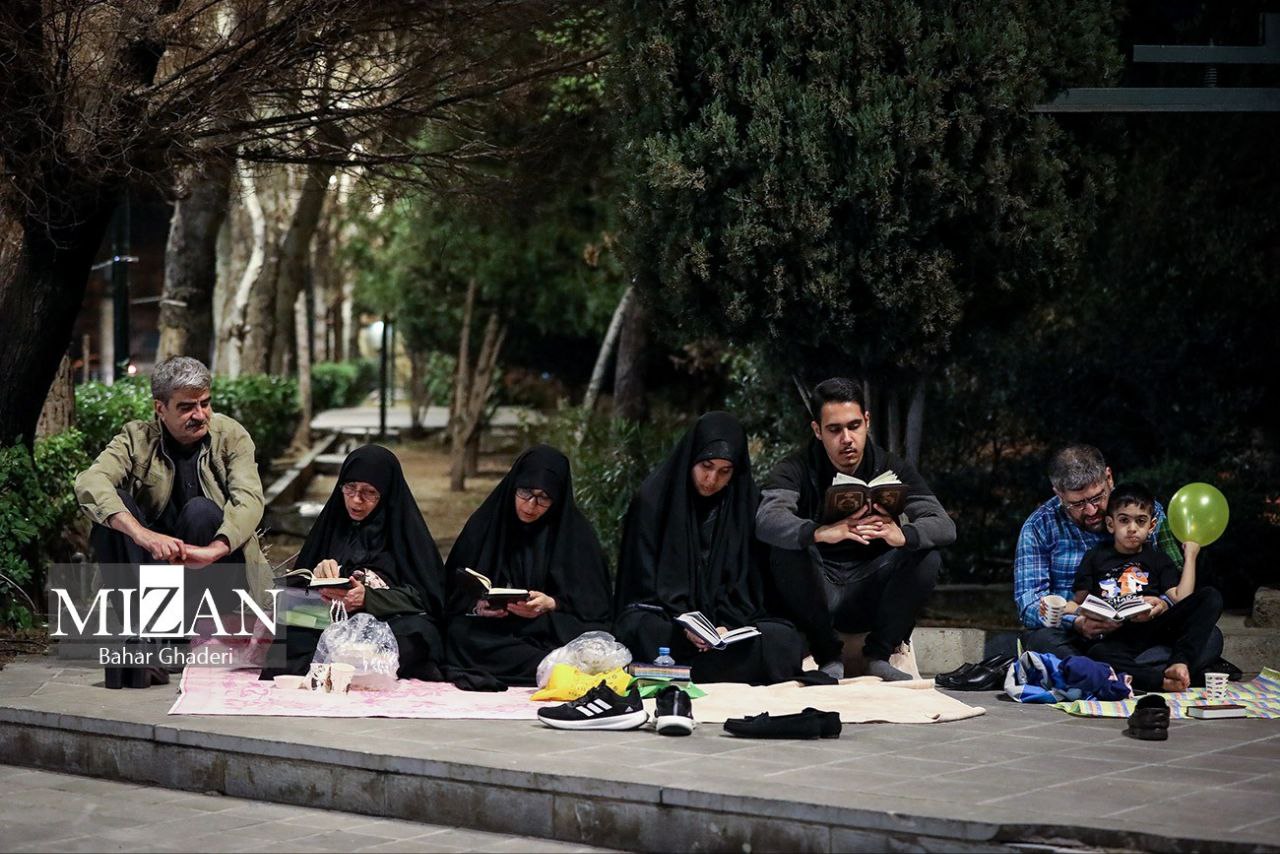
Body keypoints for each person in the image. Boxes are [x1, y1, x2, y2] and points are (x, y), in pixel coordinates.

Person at [755, 378, 956, 681]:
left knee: (927, 555)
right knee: (785, 550)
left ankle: (879, 655)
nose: (846, 439)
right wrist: (820, 532)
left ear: (867, 422)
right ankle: (826, 655)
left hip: (871, 586)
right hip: (819, 587)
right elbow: (767, 519)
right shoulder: (795, 468)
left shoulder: (893, 468)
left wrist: (904, 535)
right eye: (834, 430)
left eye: (854, 426)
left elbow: (943, 524)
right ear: (817, 431)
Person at [614, 411, 805, 684]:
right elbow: (640, 586)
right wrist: (685, 625)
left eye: (724, 471)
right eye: (706, 465)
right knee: (641, 629)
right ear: (691, 457)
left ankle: (679, 672)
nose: (711, 479)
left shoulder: (745, 504)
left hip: (727, 628)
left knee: (782, 639)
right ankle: (717, 670)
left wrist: (728, 625)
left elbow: (752, 584)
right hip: (670, 624)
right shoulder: (653, 502)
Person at [74, 356, 270, 612]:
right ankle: (145, 627)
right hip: (152, 573)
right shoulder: (136, 438)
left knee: (201, 511)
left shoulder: (231, 435)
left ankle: (186, 626)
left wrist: (215, 549)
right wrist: (142, 535)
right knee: (112, 508)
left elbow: (249, 500)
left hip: (215, 571)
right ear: (160, 408)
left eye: (205, 404)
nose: (200, 415)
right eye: (187, 407)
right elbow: (90, 481)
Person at [1014, 444, 1224, 664]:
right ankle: (1146, 670)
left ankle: (1104, 673)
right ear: (1058, 494)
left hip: (1143, 631)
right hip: (1078, 636)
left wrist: (1161, 604)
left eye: (1097, 498)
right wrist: (1075, 621)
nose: (1091, 511)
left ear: (1109, 478)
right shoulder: (1039, 526)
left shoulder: (1143, 511)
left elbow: (1177, 587)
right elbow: (1029, 606)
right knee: (1042, 641)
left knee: (1210, 637)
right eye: (1077, 504)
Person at [261, 445, 447, 680]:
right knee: (292, 632)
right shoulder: (332, 524)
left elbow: (427, 597)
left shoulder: (405, 533)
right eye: (350, 488)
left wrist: (368, 598)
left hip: (389, 622)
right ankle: (351, 666)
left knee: (419, 635)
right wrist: (318, 576)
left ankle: (343, 665)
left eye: (369, 492)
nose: (356, 501)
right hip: (331, 620)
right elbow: (299, 592)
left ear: (386, 494)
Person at [444, 445, 612, 686]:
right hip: (495, 627)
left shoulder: (575, 536)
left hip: (544, 627)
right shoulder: (486, 525)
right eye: (525, 493)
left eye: (543, 498)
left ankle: (551, 664)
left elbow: (596, 606)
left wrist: (551, 604)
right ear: (513, 486)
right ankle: (552, 666)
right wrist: (479, 606)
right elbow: (453, 590)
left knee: (591, 637)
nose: (531, 505)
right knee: (457, 633)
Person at [1067, 483, 1221, 692]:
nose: (1132, 528)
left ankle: (1180, 663)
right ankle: (1161, 681)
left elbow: (1180, 598)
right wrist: (1076, 613)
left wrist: (1191, 555)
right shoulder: (1095, 557)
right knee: (1097, 655)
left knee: (1210, 597)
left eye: (1140, 521)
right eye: (1124, 520)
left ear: (1151, 525)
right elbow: (1078, 601)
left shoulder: (1158, 559)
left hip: (1153, 627)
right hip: (1116, 635)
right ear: (1110, 524)